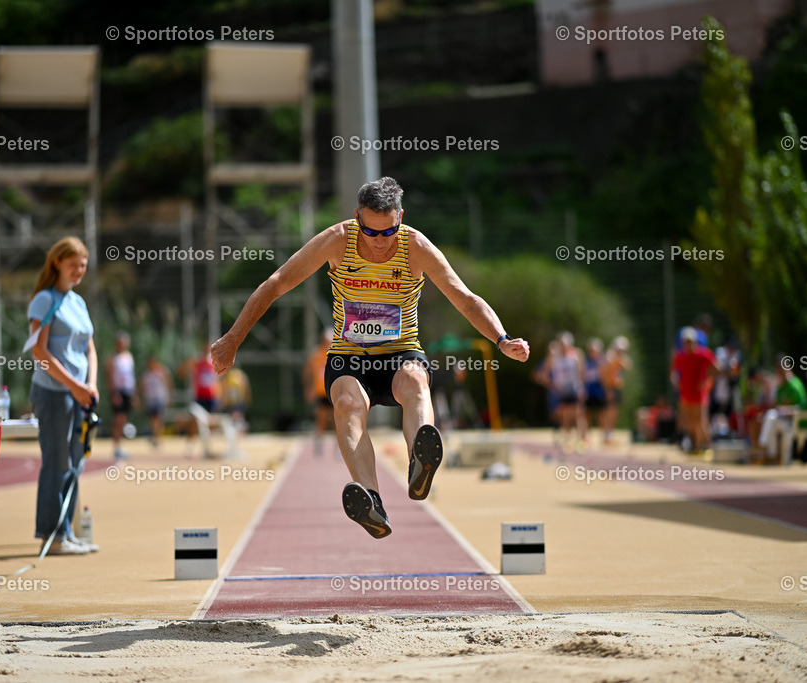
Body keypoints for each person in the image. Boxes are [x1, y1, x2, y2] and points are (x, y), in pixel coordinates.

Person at [210, 177, 529, 539]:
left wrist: (502, 339)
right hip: (350, 356)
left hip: (399, 352)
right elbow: (277, 282)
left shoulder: (416, 247)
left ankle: (419, 461)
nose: (379, 242)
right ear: (356, 218)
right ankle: (372, 501)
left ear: (401, 218)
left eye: (388, 231)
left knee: (415, 380)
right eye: (370, 232)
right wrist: (233, 338)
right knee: (346, 402)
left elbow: (465, 299)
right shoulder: (336, 241)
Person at [28, 237, 98, 556]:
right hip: (54, 394)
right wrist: (74, 385)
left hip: (79, 395)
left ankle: (66, 532)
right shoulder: (44, 300)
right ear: (56, 263)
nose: (79, 271)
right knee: (56, 463)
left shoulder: (78, 302)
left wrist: (91, 385)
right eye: (73, 265)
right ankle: (52, 536)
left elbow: (90, 348)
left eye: (83, 266)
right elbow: (40, 351)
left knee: (74, 463)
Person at [670, 326, 718, 453]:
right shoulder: (680, 356)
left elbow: (715, 368)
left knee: (700, 421)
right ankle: (696, 446)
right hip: (685, 394)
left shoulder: (703, 354)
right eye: (686, 342)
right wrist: (675, 381)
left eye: (690, 342)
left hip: (700, 394)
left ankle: (707, 445)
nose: (688, 344)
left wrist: (705, 380)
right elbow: (674, 372)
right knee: (690, 422)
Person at [758, 357, 807, 464]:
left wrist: (786, 409)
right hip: (782, 420)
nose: (779, 372)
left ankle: (765, 449)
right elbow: (775, 405)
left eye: (782, 369)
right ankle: (771, 455)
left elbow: (801, 407)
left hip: (794, 421)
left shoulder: (795, 385)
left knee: (771, 417)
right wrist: (768, 389)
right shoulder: (780, 386)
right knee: (770, 419)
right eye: (778, 369)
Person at [106, 332, 135, 460]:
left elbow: (131, 376)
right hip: (118, 392)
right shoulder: (113, 358)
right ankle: (116, 447)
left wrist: (134, 394)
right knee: (117, 420)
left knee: (123, 420)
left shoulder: (129, 357)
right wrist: (114, 393)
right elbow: (110, 377)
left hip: (128, 391)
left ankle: (120, 446)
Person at [303, 329, 334, 439]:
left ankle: (339, 448)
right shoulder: (316, 354)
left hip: (334, 390)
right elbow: (307, 372)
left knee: (338, 421)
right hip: (321, 391)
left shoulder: (336, 354)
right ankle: (318, 449)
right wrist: (308, 389)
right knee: (321, 420)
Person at [599, 335, 630, 444]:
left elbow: (627, 366)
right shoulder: (610, 356)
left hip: (616, 387)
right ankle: (606, 434)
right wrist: (607, 389)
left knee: (614, 411)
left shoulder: (620, 357)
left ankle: (610, 433)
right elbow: (604, 372)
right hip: (609, 387)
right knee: (609, 411)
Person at [140, 355, 172, 448]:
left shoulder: (161, 372)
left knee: (158, 417)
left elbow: (168, 383)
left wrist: (169, 396)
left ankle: (157, 437)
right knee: (153, 418)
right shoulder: (146, 374)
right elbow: (142, 387)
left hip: (160, 398)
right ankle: (155, 435)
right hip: (150, 399)